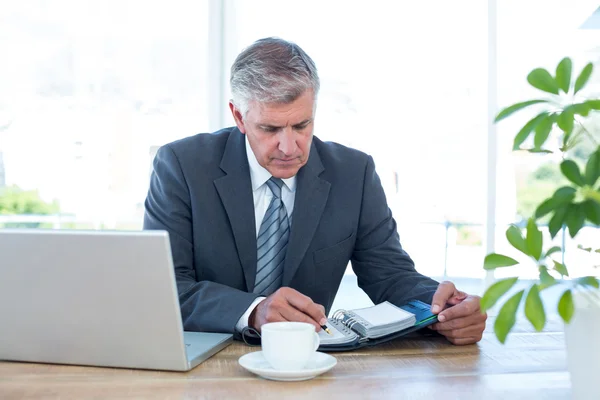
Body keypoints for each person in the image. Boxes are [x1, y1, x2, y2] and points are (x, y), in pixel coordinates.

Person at [143, 37, 487, 345]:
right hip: (204, 359)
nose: (288, 146)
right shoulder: (181, 166)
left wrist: (440, 307)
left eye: (301, 125)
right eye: (270, 128)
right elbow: (167, 286)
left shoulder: (354, 174)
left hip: (310, 361)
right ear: (238, 116)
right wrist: (253, 311)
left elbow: (390, 275)